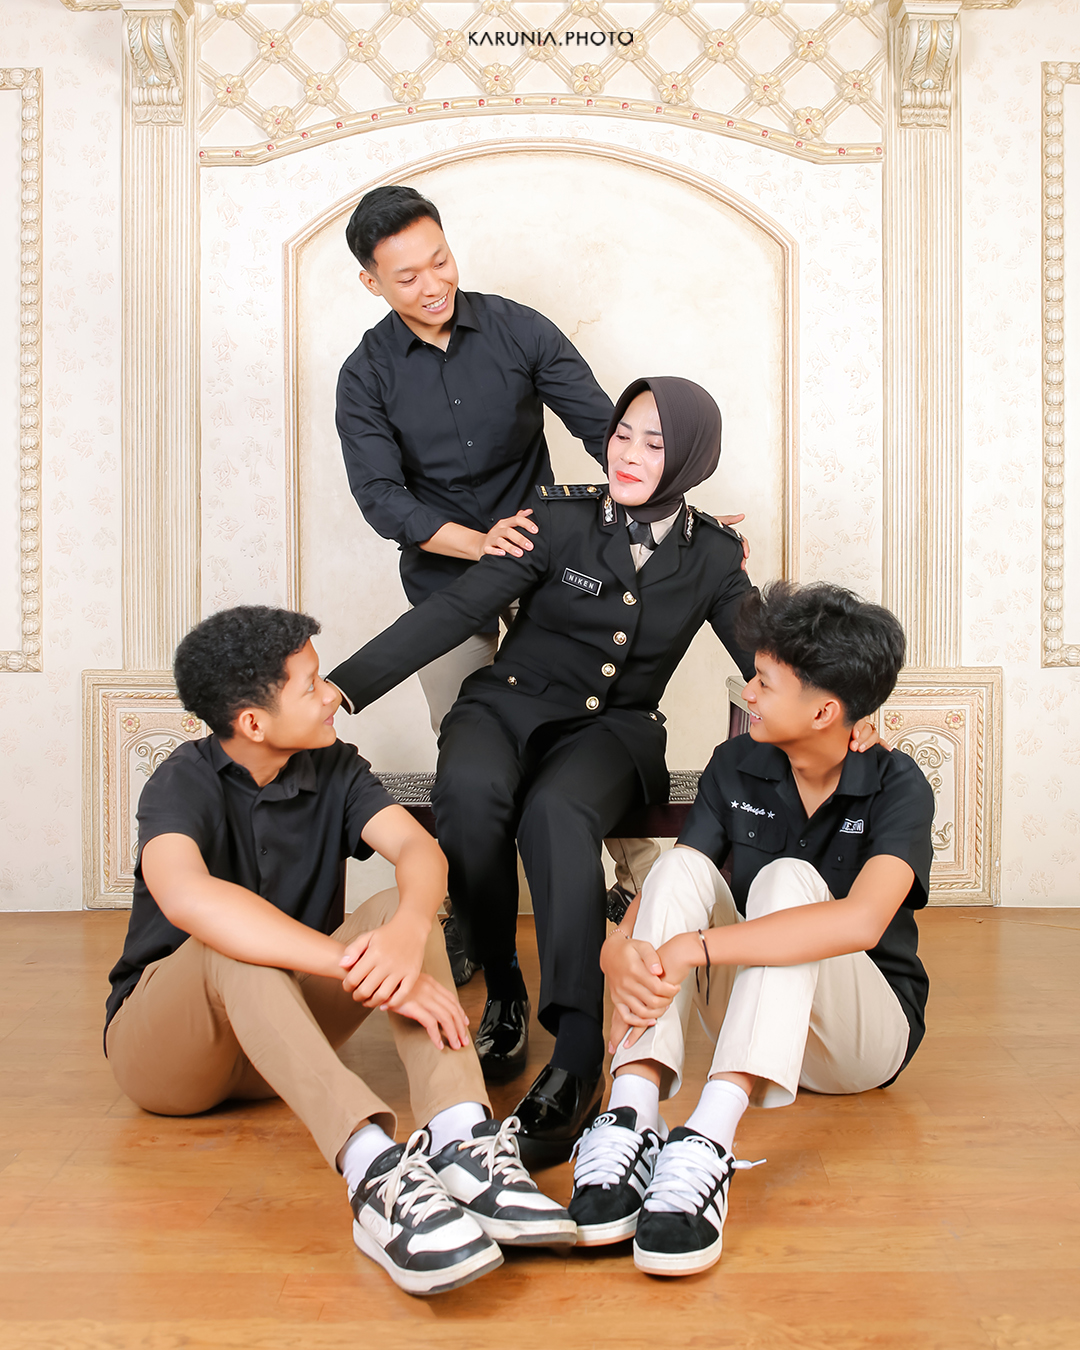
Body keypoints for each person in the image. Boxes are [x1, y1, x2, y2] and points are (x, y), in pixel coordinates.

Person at [328, 378, 876, 1166]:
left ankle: (579, 1049)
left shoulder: (714, 557)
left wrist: (846, 708)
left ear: (689, 457)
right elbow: (453, 612)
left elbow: (768, 657)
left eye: (656, 443)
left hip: (614, 731)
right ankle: (507, 1000)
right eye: (624, 434)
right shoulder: (556, 519)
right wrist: (343, 685)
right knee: (471, 795)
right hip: (507, 705)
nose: (629, 453)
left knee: (556, 813)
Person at [104, 606, 574, 1299]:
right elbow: (189, 900)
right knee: (228, 944)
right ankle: (374, 1173)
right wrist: (355, 967)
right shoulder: (183, 781)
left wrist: (410, 929)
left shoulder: (337, 768)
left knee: (392, 911)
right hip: (172, 1057)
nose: (333, 696)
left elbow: (418, 850)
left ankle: (461, 1139)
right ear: (253, 723)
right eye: (312, 685)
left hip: (287, 1034)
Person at [336, 185, 672, 982]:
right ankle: (472, 920)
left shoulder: (519, 328)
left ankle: (635, 896)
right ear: (372, 283)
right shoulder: (366, 374)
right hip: (447, 584)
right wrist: (479, 543)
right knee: (470, 759)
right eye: (408, 275)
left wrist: (676, 510)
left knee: (587, 721)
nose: (434, 284)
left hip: (550, 564)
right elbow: (383, 497)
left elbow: (604, 429)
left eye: (441, 260)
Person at [570, 581, 934, 1277]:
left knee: (788, 883)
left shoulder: (898, 785)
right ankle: (633, 1111)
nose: (749, 693)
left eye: (764, 682)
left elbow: (860, 922)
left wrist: (697, 947)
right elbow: (680, 884)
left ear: (827, 711)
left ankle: (708, 1137)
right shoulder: (735, 762)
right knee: (675, 874)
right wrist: (620, 947)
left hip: (860, 1041)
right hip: (759, 1019)